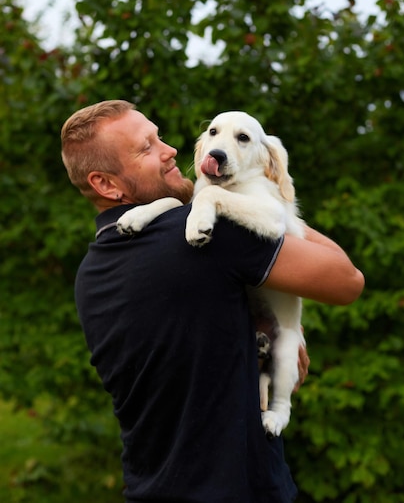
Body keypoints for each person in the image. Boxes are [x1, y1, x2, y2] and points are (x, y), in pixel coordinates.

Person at [61, 100, 364, 503]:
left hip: (151, 487)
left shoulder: (91, 273)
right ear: (106, 184)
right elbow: (346, 280)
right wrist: (279, 204)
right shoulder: (212, 235)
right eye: (146, 148)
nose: (170, 150)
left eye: (159, 137)